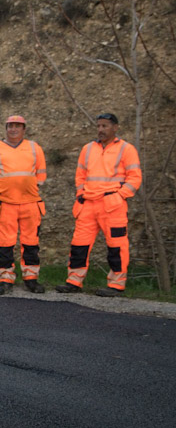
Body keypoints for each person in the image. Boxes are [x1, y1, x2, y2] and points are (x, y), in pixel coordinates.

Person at [55, 113, 142, 297]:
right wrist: (80, 194)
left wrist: (119, 196)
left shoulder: (126, 149)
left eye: (105, 126)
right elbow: (80, 176)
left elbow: (135, 178)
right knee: (79, 245)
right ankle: (74, 282)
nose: (101, 129)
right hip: (87, 204)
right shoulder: (87, 149)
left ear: (115, 127)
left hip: (113, 206)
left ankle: (116, 285)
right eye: (99, 126)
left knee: (117, 246)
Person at [0, 115, 47, 295]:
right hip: (5, 204)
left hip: (30, 203)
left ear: (24, 129)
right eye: (10, 126)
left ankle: (31, 279)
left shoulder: (34, 147)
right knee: (5, 244)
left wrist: (31, 187)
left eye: (17, 126)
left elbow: (41, 173)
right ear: (6, 128)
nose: (13, 129)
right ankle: (5, 279)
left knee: (31, 243)